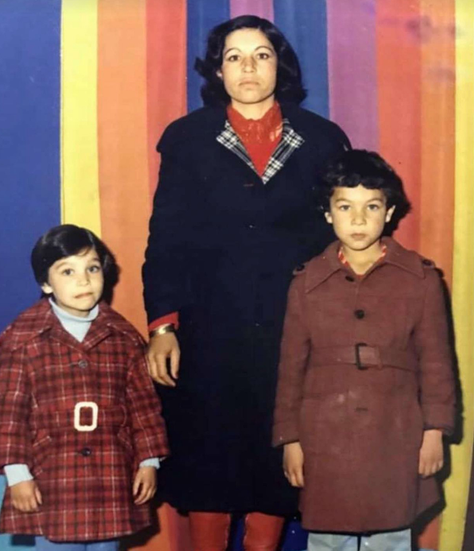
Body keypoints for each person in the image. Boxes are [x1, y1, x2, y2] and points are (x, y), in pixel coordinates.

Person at [141, 15, 350, 550]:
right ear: (217, 70)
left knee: (277, 455)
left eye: (261, 54)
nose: (248, 67)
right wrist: (164, 325)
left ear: (280, 65)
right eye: (234, 56)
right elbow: (166, 239)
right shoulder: (186, 139)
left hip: (292, 329)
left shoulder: (324, 139)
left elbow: (341, 241)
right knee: (210, 453)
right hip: (210, 329)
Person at [273, 149, 455, 551]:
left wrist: (434, 432)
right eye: (345, 207)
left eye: (371, 206)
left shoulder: (420, 280)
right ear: (327, 213)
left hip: (396, 432)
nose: (358, 220)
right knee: (326, 536)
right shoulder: (306, 283)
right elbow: (290, 369)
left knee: (391, 534)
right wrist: (290, 439)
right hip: (324, 435)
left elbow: (437, 362)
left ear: (388, 212)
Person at [0, 224, 169, 550]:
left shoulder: (124, 338)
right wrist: (17, 474)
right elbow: (9, 415)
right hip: (52, 477)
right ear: (45, 282)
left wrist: (148, 462)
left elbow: (143, 406)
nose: (84, 280)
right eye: (67, 271)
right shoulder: (22, 340)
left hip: (111, 477)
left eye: (92, 268)